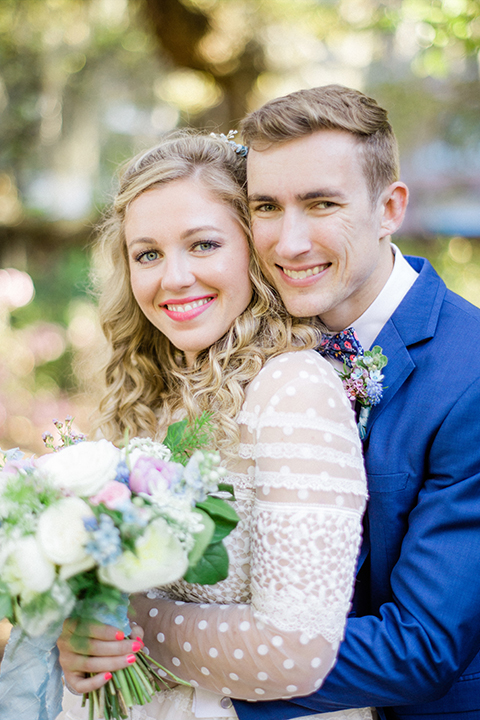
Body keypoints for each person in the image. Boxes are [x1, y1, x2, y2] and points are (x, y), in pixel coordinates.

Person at [57, 131, 369, 720]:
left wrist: (116, 619)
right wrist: (78, 644)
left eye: (202, 245)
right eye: (147, 254)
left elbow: (297, 652)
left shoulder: (294, 389)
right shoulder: (148, 393)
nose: (173, 278)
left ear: (254, 250)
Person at [227, 84, 480, 720]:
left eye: (321, 204)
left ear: (389, 207)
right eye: (266, 207)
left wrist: (176, 655)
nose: (288, 243)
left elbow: (420, 648)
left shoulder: (469, 372)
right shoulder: (243, 345)